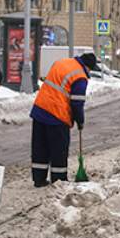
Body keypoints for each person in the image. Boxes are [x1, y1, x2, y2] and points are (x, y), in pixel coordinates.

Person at [30, 52, 99, 187]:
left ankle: (39, 179)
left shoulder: (61, 63)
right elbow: (77, 103)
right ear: (88, 67)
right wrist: (80, 121)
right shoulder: (80, 76)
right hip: (57, 115)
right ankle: (59, 181)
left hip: (39, 109)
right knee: (58, 151)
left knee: (40, 147)